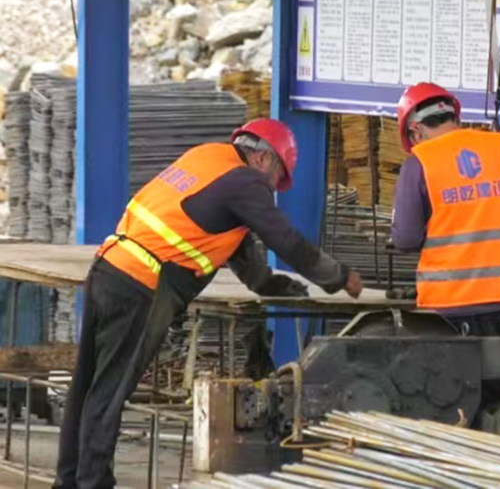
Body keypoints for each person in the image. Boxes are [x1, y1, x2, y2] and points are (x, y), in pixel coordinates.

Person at [54, 119, 363, 489]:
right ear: (263, 158)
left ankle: (68, 481)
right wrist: (338, 277)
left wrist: (272, 284)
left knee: (86, 386)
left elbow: (239, 249)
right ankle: (92, 483)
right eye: (276, 178)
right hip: (141, 284)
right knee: (109, 392)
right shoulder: (246, 182)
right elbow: (286, 239)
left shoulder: (209, 159)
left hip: (108, 269)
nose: (272, 190)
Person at [390, 82, 500, 407]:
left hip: (447, 312)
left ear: (415, 130)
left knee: (448, 406)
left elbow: (406, 238)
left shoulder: (420, 162)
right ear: (453, 115)